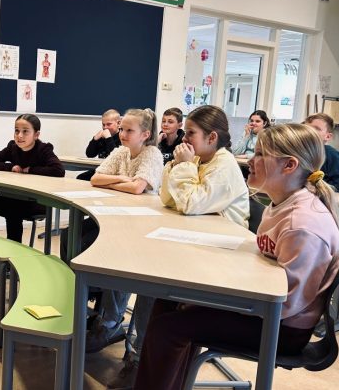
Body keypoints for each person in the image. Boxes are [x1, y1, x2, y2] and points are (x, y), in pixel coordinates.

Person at [135, 123, 339, 389]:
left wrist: (221, 298)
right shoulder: (281, 204)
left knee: (168, 329)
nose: (249, 160)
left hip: (282, 328)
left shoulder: (303, 226)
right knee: (168, 300)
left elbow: (286, 302)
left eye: (260, 154)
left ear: (289, 166)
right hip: (266, 307)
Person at [106, 105, 249, 388]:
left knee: (151, 279)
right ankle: (140, 354)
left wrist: (182, 166)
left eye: (191, 133)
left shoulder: (224, 165)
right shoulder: (199, 160)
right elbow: (169, 200)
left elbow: (190, 204)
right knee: (130, 260)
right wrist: (175, 167)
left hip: (220, 255)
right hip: (198, 241)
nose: (185, 139)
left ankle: (143, 357)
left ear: (212, 138)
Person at [84, 109, 164, 358]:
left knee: (120, 261)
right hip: (118, 217)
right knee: (80, 238)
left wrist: (117, 180)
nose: (122, 134)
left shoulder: (152, 154)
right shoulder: (120, 151)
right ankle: (103, 314)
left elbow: (139, 187)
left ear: (146, 134)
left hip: (143, 225)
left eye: (129, 130)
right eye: (122, 129)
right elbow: (96, 179)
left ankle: (111, 322)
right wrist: (123, 180)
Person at [0, 114, 64, 272]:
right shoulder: (12, 147)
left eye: (25, 131)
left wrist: (30, 170)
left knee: (13, 211)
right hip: (13, 198)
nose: (19, 136)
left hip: (37, 202)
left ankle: (12, 260)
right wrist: (11, 167)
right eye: (16, 131)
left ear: (36, 135)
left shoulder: (43, 149)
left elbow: (58, 170)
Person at [304, 113, 339, 193]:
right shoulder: (299, 152)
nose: (310, 132)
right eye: (307, 128)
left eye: (316, 129)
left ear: (328, 136)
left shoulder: (331, 155)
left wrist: (314, 188)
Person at [78, 109, 121, 181]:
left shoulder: (123, 137)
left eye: (109, 124)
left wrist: (108, 138)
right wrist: (95, 139)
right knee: (81, 178)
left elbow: (116, 157)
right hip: (101, 169)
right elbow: (90, 154)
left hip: (114, 172)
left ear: (119, 123)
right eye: (103, 124)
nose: (105, 127)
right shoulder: (102, 137)